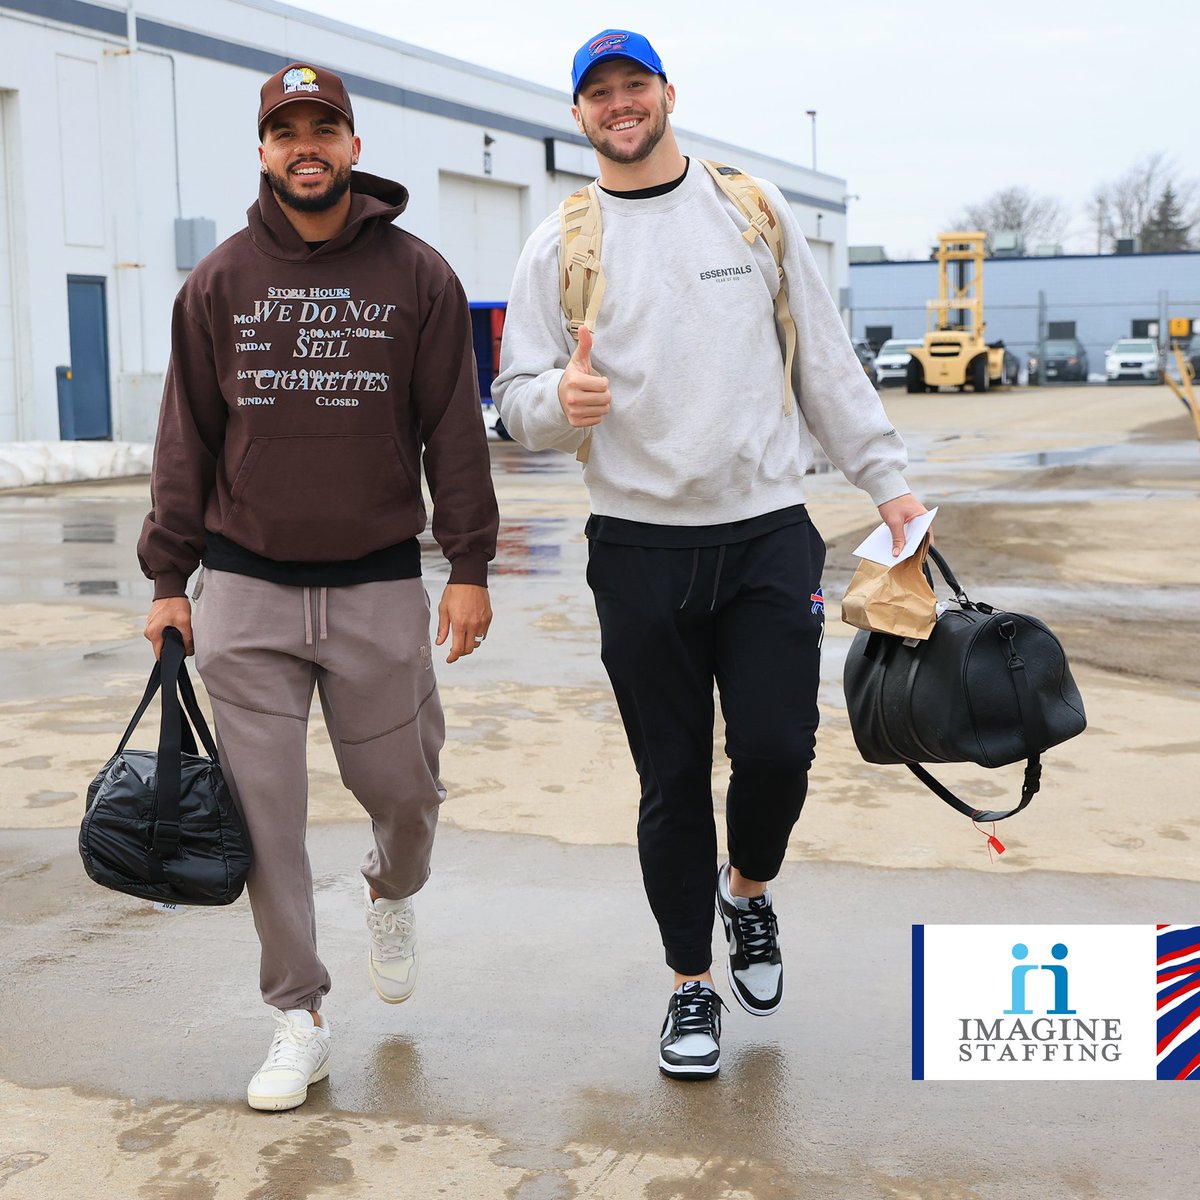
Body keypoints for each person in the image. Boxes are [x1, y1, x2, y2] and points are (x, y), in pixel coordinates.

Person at [493, 30, 926, 1080]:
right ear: (580, 116)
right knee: (672, 778)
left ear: (667, 94)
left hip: (767, 531)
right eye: (598, 94)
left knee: (778, 749)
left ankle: (750, 893)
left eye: (633, 85)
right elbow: (512, 402)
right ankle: (691, 988)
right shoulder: (560, 242)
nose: (618, 104)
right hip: (638, 546)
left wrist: (890, 483)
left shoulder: (751, 208)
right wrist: (561, 403)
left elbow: (823, 358)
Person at [137, 62, 498, 1111]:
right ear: (263, 151)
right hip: (244, 589)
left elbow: (454, 431)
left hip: (378, 582)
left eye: (323, 129)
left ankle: (391, 888)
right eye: (285, 131)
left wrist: (468, 564)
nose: (306, 146)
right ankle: (297, 1014)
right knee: (265, 817)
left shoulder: (417, 276)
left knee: (407, 793)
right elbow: (186, 439)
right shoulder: (215, 282)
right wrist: (170, 576)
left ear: (351, 143)